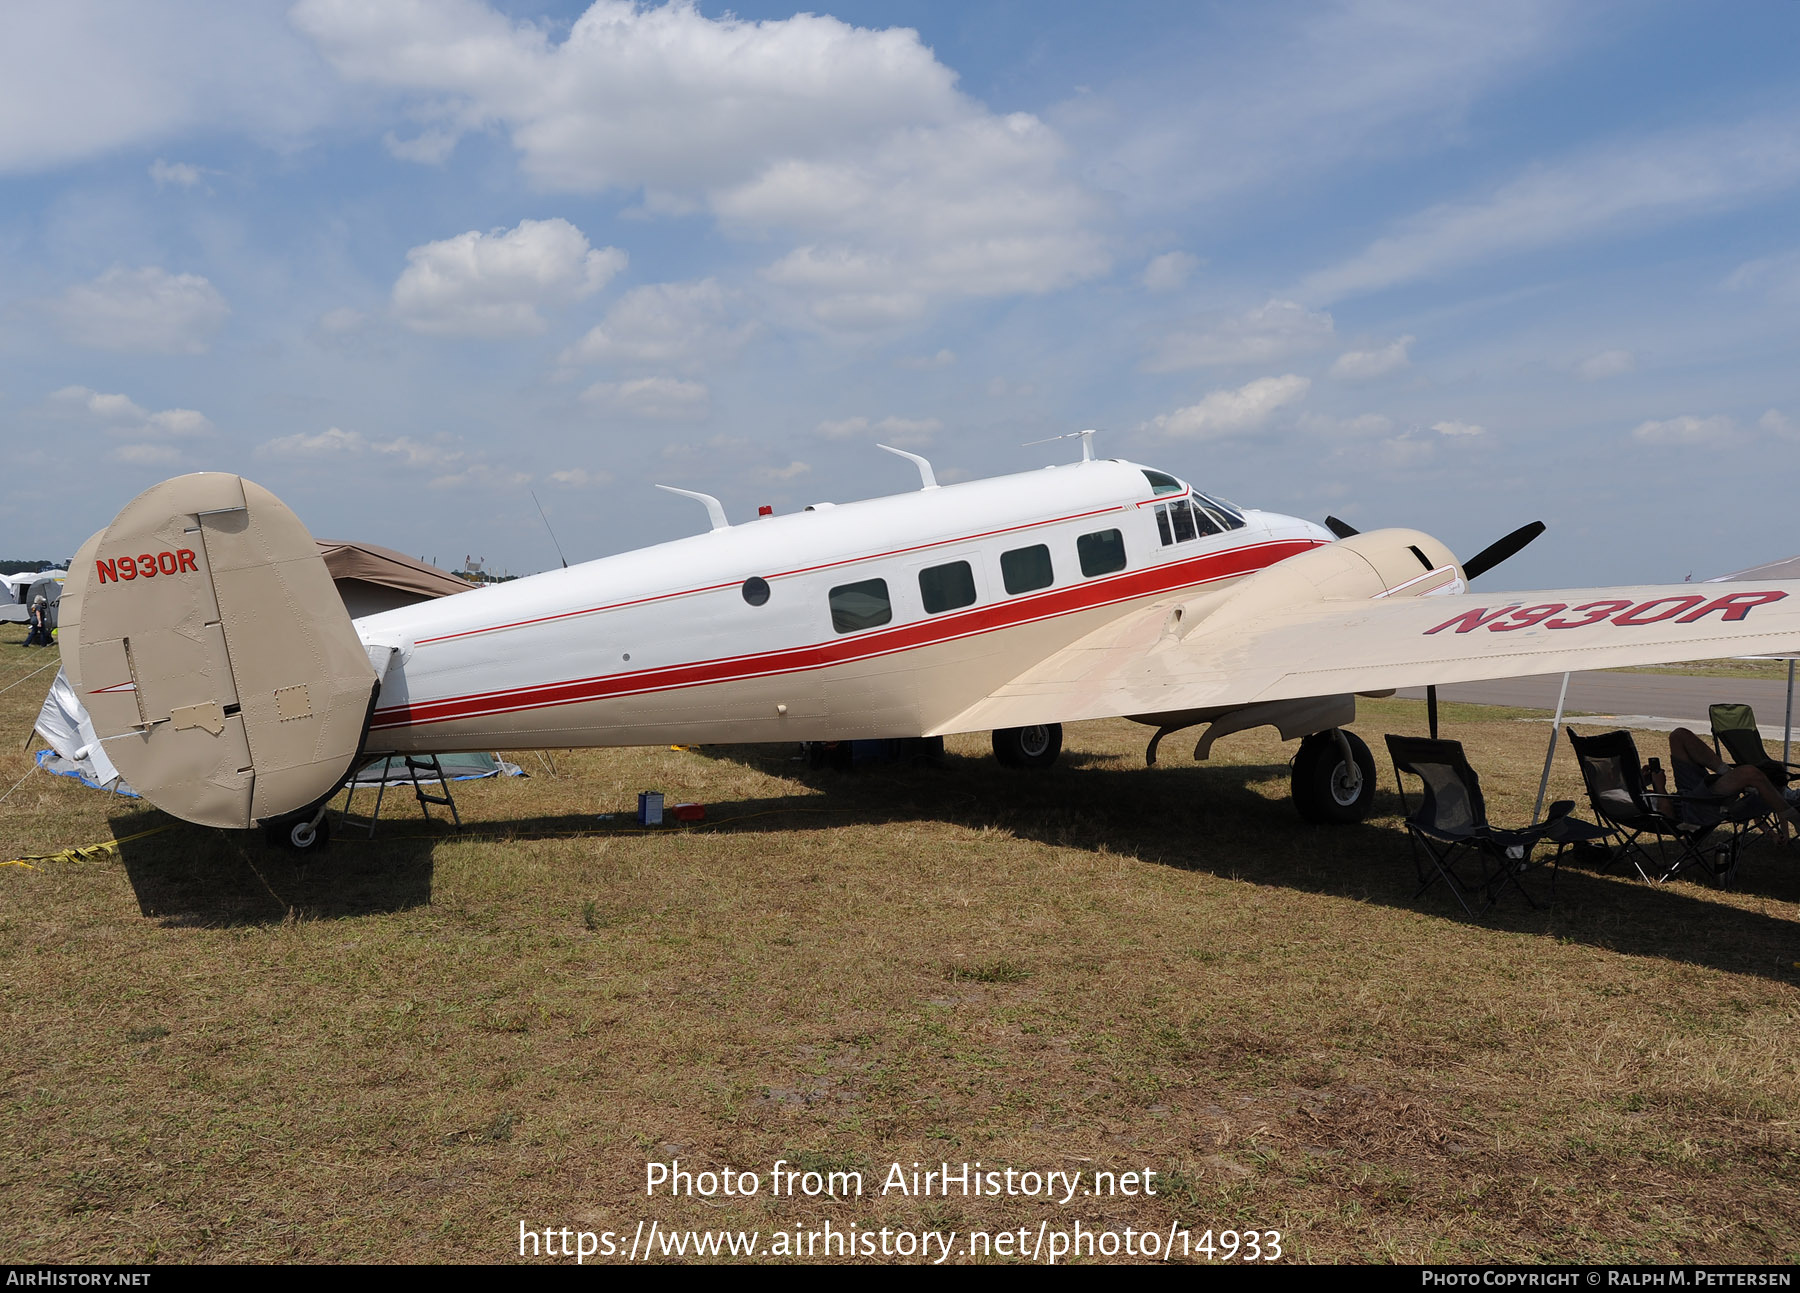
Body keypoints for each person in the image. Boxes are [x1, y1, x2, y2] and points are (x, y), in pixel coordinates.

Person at [1646, 726, 1800, 841]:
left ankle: (1728, 773)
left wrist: (1644, 779)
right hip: (1693, 808)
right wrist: (1660, 786)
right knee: (1749, 772)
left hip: (1686, 794)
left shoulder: (1627, 792)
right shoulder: (1625, 800)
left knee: (1679, 735)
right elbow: (1666, 817)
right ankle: (1794, 817)